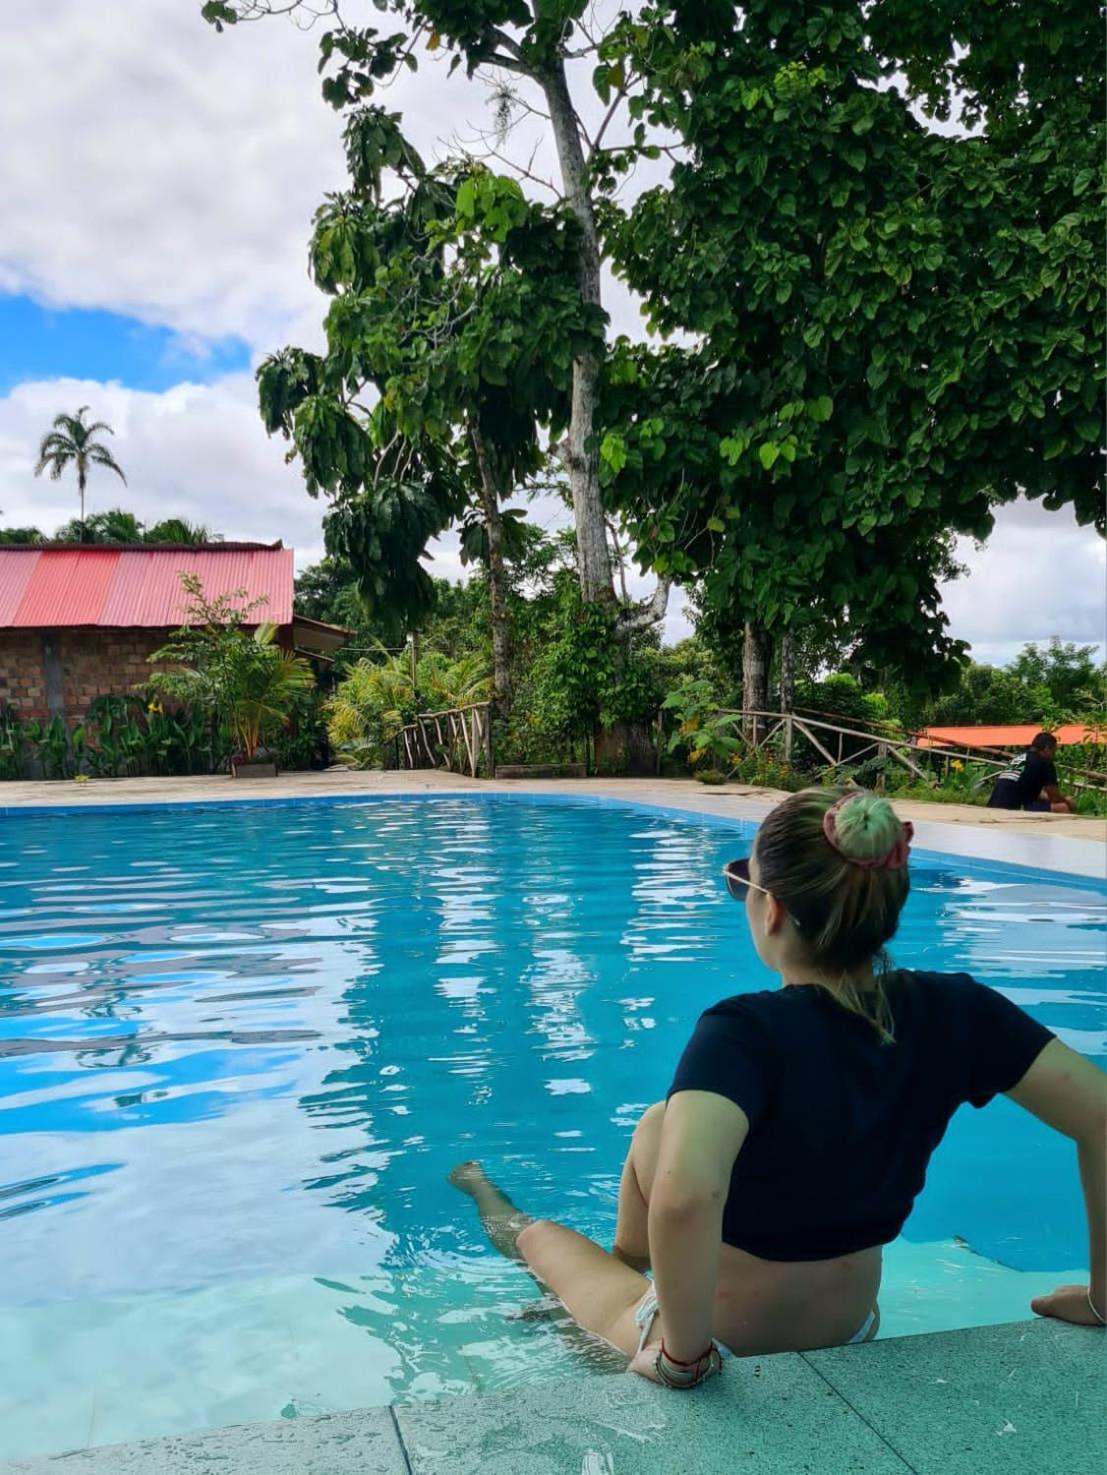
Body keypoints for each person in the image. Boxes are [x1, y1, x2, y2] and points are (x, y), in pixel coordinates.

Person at [449, 788, 1105, 1390]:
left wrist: (683, 1356)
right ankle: (627, 1261)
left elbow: (685, 1198)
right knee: (661, 1121)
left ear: (773, 910)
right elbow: (1101, 1116)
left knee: (539, 1237)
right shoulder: (958, 1009)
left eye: (745, 884)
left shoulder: (740, 1031)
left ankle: (510, 1206)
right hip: (849, 1324)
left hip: (718, 1344)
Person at [987, 731, 1077, 813]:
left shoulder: (1019, 759)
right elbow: (1055, 798)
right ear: (1047, 748)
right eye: (1053, 751)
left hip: (993, 805)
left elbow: (1028, 791)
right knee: (1062, 807)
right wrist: (1068, 801)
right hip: (1013, 809)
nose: (1053, 756)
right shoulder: (1045, 762)